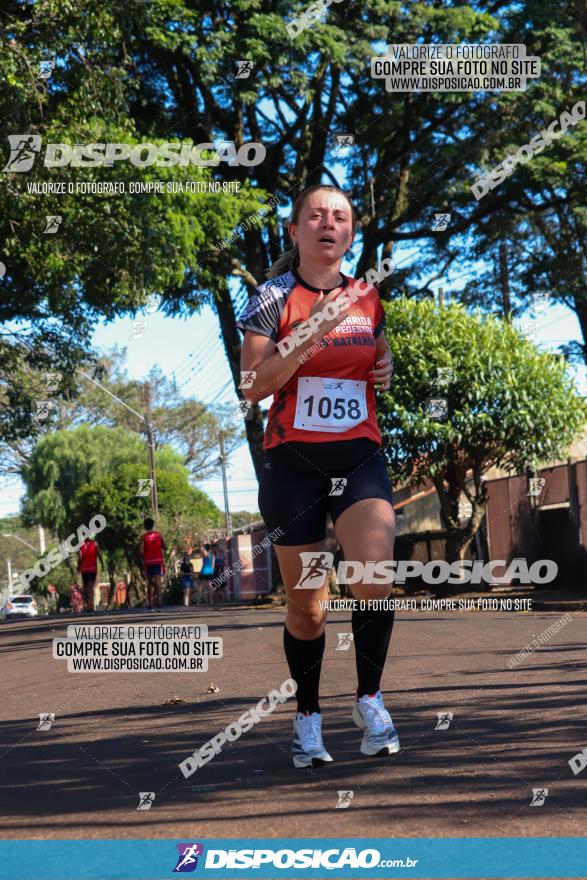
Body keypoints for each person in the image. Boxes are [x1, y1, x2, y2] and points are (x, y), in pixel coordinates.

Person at [237, 184, 397, 768]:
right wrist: (309, 334)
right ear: (296, 229)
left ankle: (370, 700)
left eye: (341, 217)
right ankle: (307, 717)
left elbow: (376, 352)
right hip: (294, 467)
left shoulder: (367, 295)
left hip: (358, 456)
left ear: (350, 233)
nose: (328, 223)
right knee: (308, 609)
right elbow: (251, 387)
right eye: (316, 215)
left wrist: (383, 363)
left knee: (375, 576)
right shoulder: (271, 297)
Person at [140, 517, 167, 612]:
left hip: (148, 562)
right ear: (153, 525)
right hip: (157, 561)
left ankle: (150, 605)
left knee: (150, 584)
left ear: (145, 526)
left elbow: (141, 551)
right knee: (158, 583)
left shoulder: (143, 537)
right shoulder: (159, 535)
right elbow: (166, 547)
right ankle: (159, 605)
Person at [77, 534, 104, 613]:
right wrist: (102, 563)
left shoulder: (80, 546)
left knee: (86, 588)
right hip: (92, 569)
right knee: (90, 588)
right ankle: (91, 606)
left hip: (84, 570)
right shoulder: (95, 543)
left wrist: (78, 567)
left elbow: (80, 558)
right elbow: (99, 554)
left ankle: (89, 606)